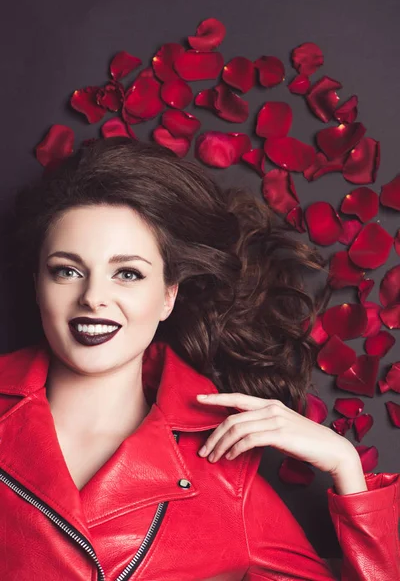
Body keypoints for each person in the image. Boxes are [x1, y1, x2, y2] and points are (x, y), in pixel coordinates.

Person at [0, 137, 398, 581]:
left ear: (169, 295)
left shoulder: (225, 475)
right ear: (38, 284)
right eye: (67, 271)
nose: (93, 298)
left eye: (127, 274)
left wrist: (347, 467)